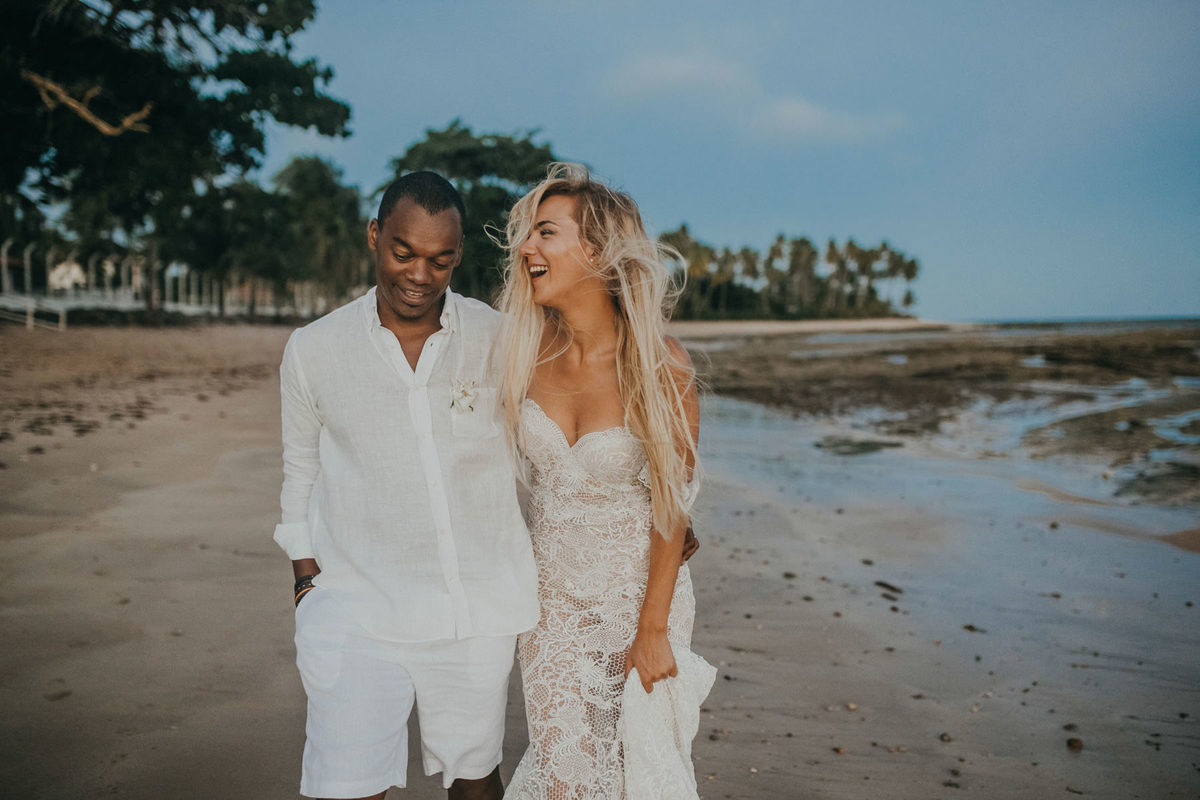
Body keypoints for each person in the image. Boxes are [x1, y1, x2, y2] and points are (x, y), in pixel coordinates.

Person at [273, 171, 539, 800]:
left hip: (473, 610)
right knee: (347, 787)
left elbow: (557, 439)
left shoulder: (498, 339)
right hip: (356, 607)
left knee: (475, 782)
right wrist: (308, 584)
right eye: (404, 253)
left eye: (440, 260)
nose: (420, 275)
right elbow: (299, 473)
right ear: (375, 236)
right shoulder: (314, 350)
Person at [496, 163, 712, 799]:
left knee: (635, 776)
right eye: (527, 235)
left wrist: (653, 629)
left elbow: (672, 507)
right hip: (550, 602)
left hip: (639, 601)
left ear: (594, 250)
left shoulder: (660, 363)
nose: (525, 248)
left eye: (545, 234)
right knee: (565, 777)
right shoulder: (519, 353)